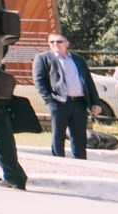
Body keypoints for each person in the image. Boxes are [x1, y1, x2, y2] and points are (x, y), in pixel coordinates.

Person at [33, 32, 100, 160]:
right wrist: (49, 100)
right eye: (51, 42)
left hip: (79, 103)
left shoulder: (78, 59)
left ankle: (80, 162)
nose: (55, 44)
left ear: (67, 43)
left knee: (79, 135)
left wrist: (95, 102)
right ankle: (59, 161)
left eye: (59, 41)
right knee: (58, 135)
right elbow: (39, 81)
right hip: (59, 102)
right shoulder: (43, 58)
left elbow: (88, 81)